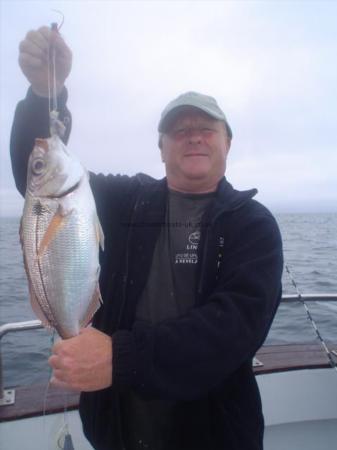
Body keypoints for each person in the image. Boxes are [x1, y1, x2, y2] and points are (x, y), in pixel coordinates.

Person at [11, 26, 283, 450]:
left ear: (228, 142)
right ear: (160, 147)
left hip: (216, 436)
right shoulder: (126, 200)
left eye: (207, 128)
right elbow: (37, 183)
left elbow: (233, 330)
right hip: (115, 433)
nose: (193, 135)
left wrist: (120, 359)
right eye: (179, 129)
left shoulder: (253, 225)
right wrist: (45, 93)